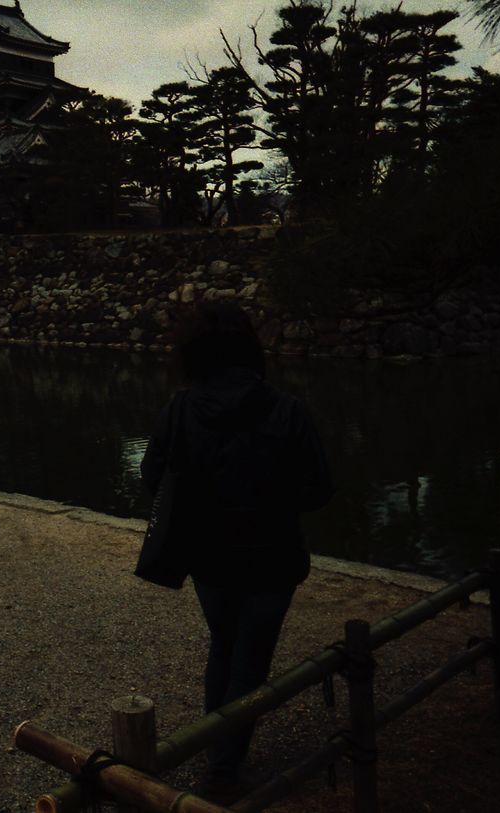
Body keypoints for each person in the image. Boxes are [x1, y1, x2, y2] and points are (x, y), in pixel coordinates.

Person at [140, 303, 333, 801]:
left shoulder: (180, 409)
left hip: (208, 557)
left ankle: (218, 752)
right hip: (271, 557)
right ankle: (224, 770)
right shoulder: (287, 410)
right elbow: (318, 490)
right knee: (249, 660)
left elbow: (149, 478)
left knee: (225, 645)